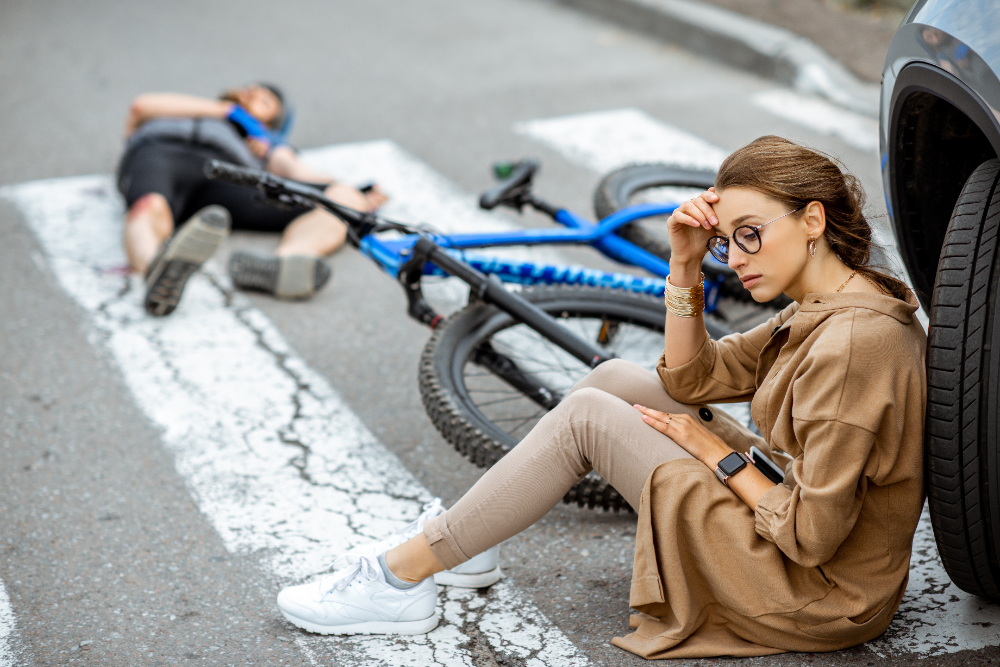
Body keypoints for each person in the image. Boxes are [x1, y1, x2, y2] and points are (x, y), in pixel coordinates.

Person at [276, 136, 926, 657]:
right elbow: (691, 379)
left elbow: (812, 536)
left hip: (819, 592)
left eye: (750, 232)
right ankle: (463, 540)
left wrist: (716, 454)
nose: (736, 256)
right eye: (727, 240)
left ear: (812, 218)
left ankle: (399, 577)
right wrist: (684, 266)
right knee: (613, 377)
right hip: (804, 529)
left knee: (588, 415)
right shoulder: (836, 302)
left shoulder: (848, 349)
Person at [117, 82, 385, 316]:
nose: (254, 91)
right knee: (149, 206)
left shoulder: (265, 141)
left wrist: (348, 193)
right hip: (160, 156)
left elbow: (294, 171)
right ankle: (155, 269)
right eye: (252, 89)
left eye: (265, 100)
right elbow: (141, 107)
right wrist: (228, 111)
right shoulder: (189, 111)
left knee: (342, 199)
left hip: (232, 177)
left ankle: (287, 261)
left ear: (271, 122)